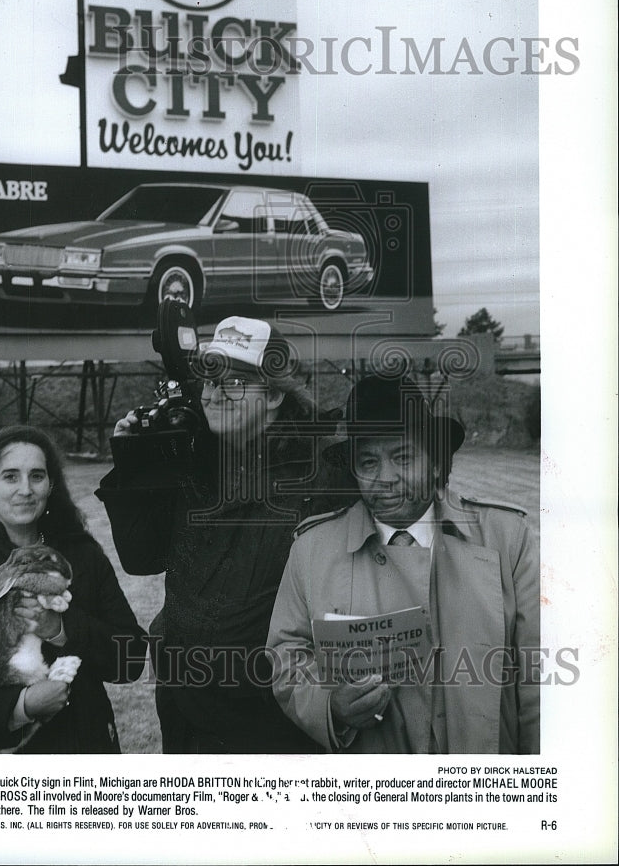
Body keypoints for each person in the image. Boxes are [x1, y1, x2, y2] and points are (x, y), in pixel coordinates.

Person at [97, 315, 348, 754]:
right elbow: (141, 559)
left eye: (232, 383)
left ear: (272, 394)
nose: (213, 395)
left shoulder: (320, 470)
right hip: (186, 708)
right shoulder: (192, 455)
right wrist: (133, 467)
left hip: (272, 717)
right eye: (208, 382)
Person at [266, 373, 540, 755]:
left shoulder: (506, 539)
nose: (386, 479)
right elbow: (287, 656)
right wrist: (330, 706)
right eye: (368, 461)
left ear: (434, 461)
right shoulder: (311, 549)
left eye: (402, 457)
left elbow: (538, 680)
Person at [0, 424, 147, 754]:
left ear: (50, 484)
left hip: (82, 750)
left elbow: (131, 658)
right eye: (10, 476)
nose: (25, 489)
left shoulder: (83, 558)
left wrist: (61, 628)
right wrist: (19, 706)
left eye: (36, 476)